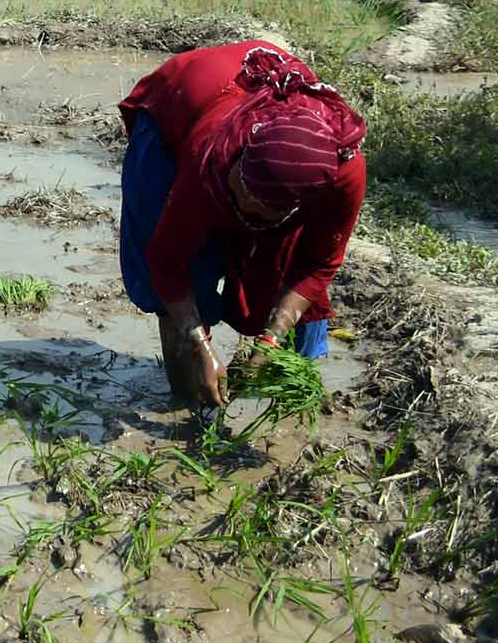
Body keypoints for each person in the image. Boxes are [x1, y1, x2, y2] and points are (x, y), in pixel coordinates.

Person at [117, 39, 369, 407]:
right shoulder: (212, 154)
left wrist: (271, 338)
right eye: (236, 191)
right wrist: (199, 344)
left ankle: (295, 393)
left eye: (252, 207)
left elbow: (319, 263)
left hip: (273, 163)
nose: (235, 207)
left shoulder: (342, 176)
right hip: (181, 102)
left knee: (290, 262)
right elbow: (167, 260)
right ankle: (189, 405)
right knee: (186, 273)